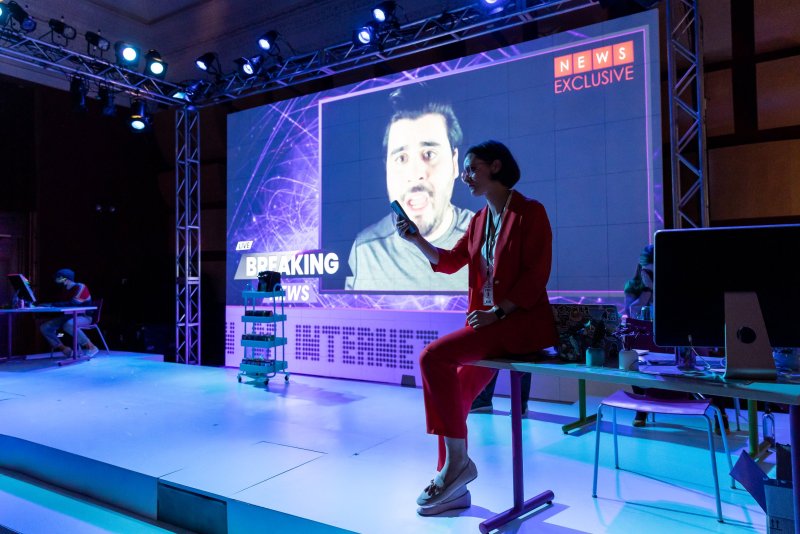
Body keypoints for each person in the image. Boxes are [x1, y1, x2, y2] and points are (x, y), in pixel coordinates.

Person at [396, 140, 556, 515]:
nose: (464, 176)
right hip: (488, 325)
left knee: (433, 357)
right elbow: (450, 262)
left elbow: (536, 275)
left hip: (515, 325)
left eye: (471, 168)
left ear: (496, 166)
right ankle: (451, 483)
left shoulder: (531, 212)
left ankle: (456, 467)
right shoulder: (479, 221)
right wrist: (416, 238)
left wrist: (497, 313)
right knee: (452, 396)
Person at [345, 85, 474, 291]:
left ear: (454, 162)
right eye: (401, 158)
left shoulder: (483, 235)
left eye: (429, 154)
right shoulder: (366, 250)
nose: (415, 173)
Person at [39, 268, 99, 358]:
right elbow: (63, 305)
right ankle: (65, 349)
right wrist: (47, 305)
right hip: (68, 316)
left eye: (60, 278)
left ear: (67, 279)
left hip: (84, 317)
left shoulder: (81, 287)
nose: (58, 281)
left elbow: (73, 304)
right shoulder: (65, 290)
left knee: (69, 325)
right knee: (45, 327)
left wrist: (52, 304)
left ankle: (91, 347)